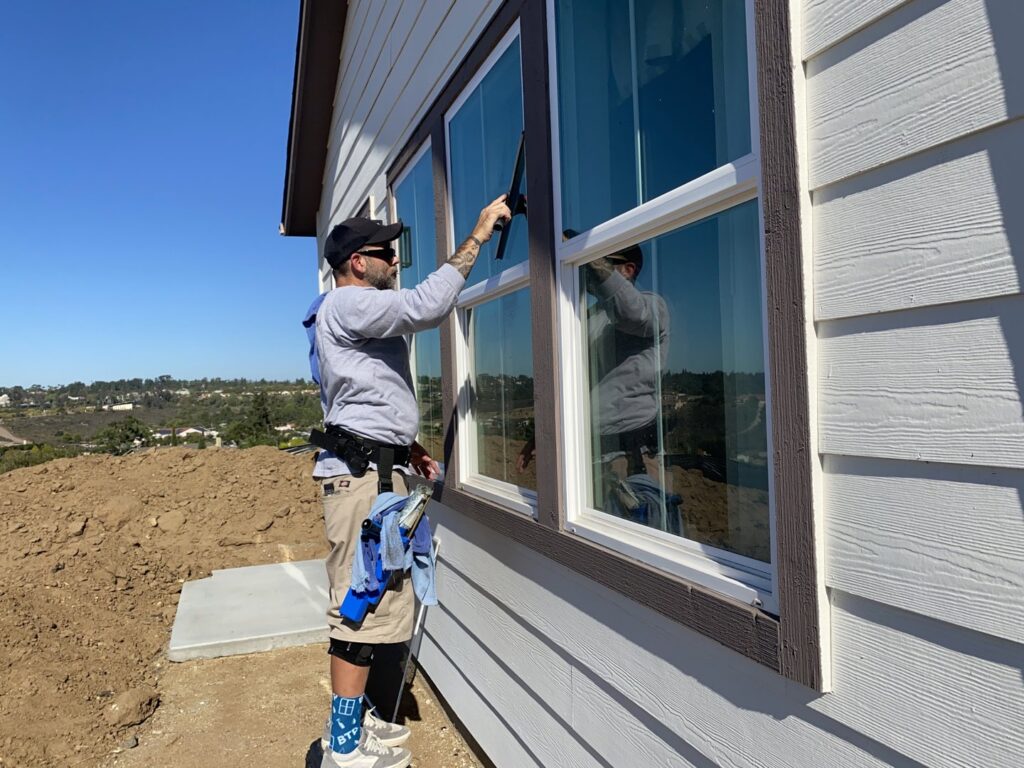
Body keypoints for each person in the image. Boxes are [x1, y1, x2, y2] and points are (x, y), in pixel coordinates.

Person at [309, 195, 510, 768]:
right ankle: (344, 745)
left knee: (371, 597)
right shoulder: (348, 303)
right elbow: (427, 305)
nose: (394, 260)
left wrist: (409, 448)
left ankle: (352, 729)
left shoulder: (351, 310)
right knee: (360, 602)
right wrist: (476, 236)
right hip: (361, 480)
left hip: (375, 467)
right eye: (384, 254)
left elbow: (367, 396)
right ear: (355, 263)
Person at [516, 243, 681, 534]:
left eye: (603, 265)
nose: (588, 277)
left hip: (632, 462)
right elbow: (569, 381)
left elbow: (629, 311)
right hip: (591, 457)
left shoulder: (652, 307)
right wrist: (538, 435)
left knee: (640, 555)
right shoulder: (590, 319)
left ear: (628, 271)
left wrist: (581, 253)